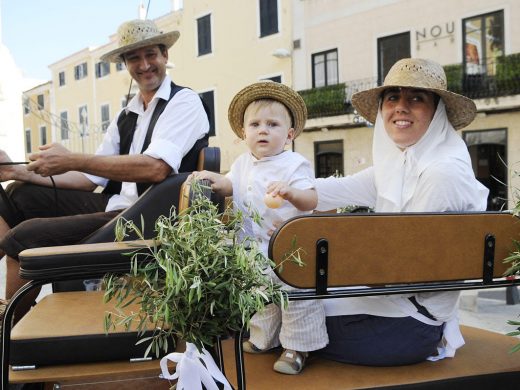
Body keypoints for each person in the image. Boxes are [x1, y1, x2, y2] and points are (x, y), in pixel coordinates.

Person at [0, 19, 209, 325]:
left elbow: (155, 167)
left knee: (24, 237)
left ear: (165, 55)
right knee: (19, 193)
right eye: (134, 58)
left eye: (150, 54)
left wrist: (72, 159)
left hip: (149, 218)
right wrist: (18, 172)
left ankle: (10, 328)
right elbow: (89, 180)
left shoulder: (185, 102)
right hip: (116, 205)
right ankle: (9, 306)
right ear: (125, 64)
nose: (144, 65)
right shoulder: (127, 115)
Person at [310, 58, 489, 365]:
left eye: (416, 99)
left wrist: (321, 248)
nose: (401, 107)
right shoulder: (400, 166)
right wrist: (251, 185)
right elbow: (329, 190)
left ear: (437, 112)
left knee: (286, 323)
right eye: (392, 97)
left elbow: (408, 269)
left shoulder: (442, 173)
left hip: (408, 328)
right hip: (396, 313)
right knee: (290, 310)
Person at [190, 81, 328, 375]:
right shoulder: (242, 163)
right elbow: (232, 185)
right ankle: (263, 337)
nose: (262, 130)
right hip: (253, 248)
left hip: (291, 250)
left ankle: (297, 347)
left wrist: (290, 192)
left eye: (272, 124)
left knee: (294, 298)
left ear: (289, 135)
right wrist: (216, 179)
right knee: (260, 295)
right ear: (244, 133)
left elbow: (311, 199)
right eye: (255, 124)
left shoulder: (294, 165)